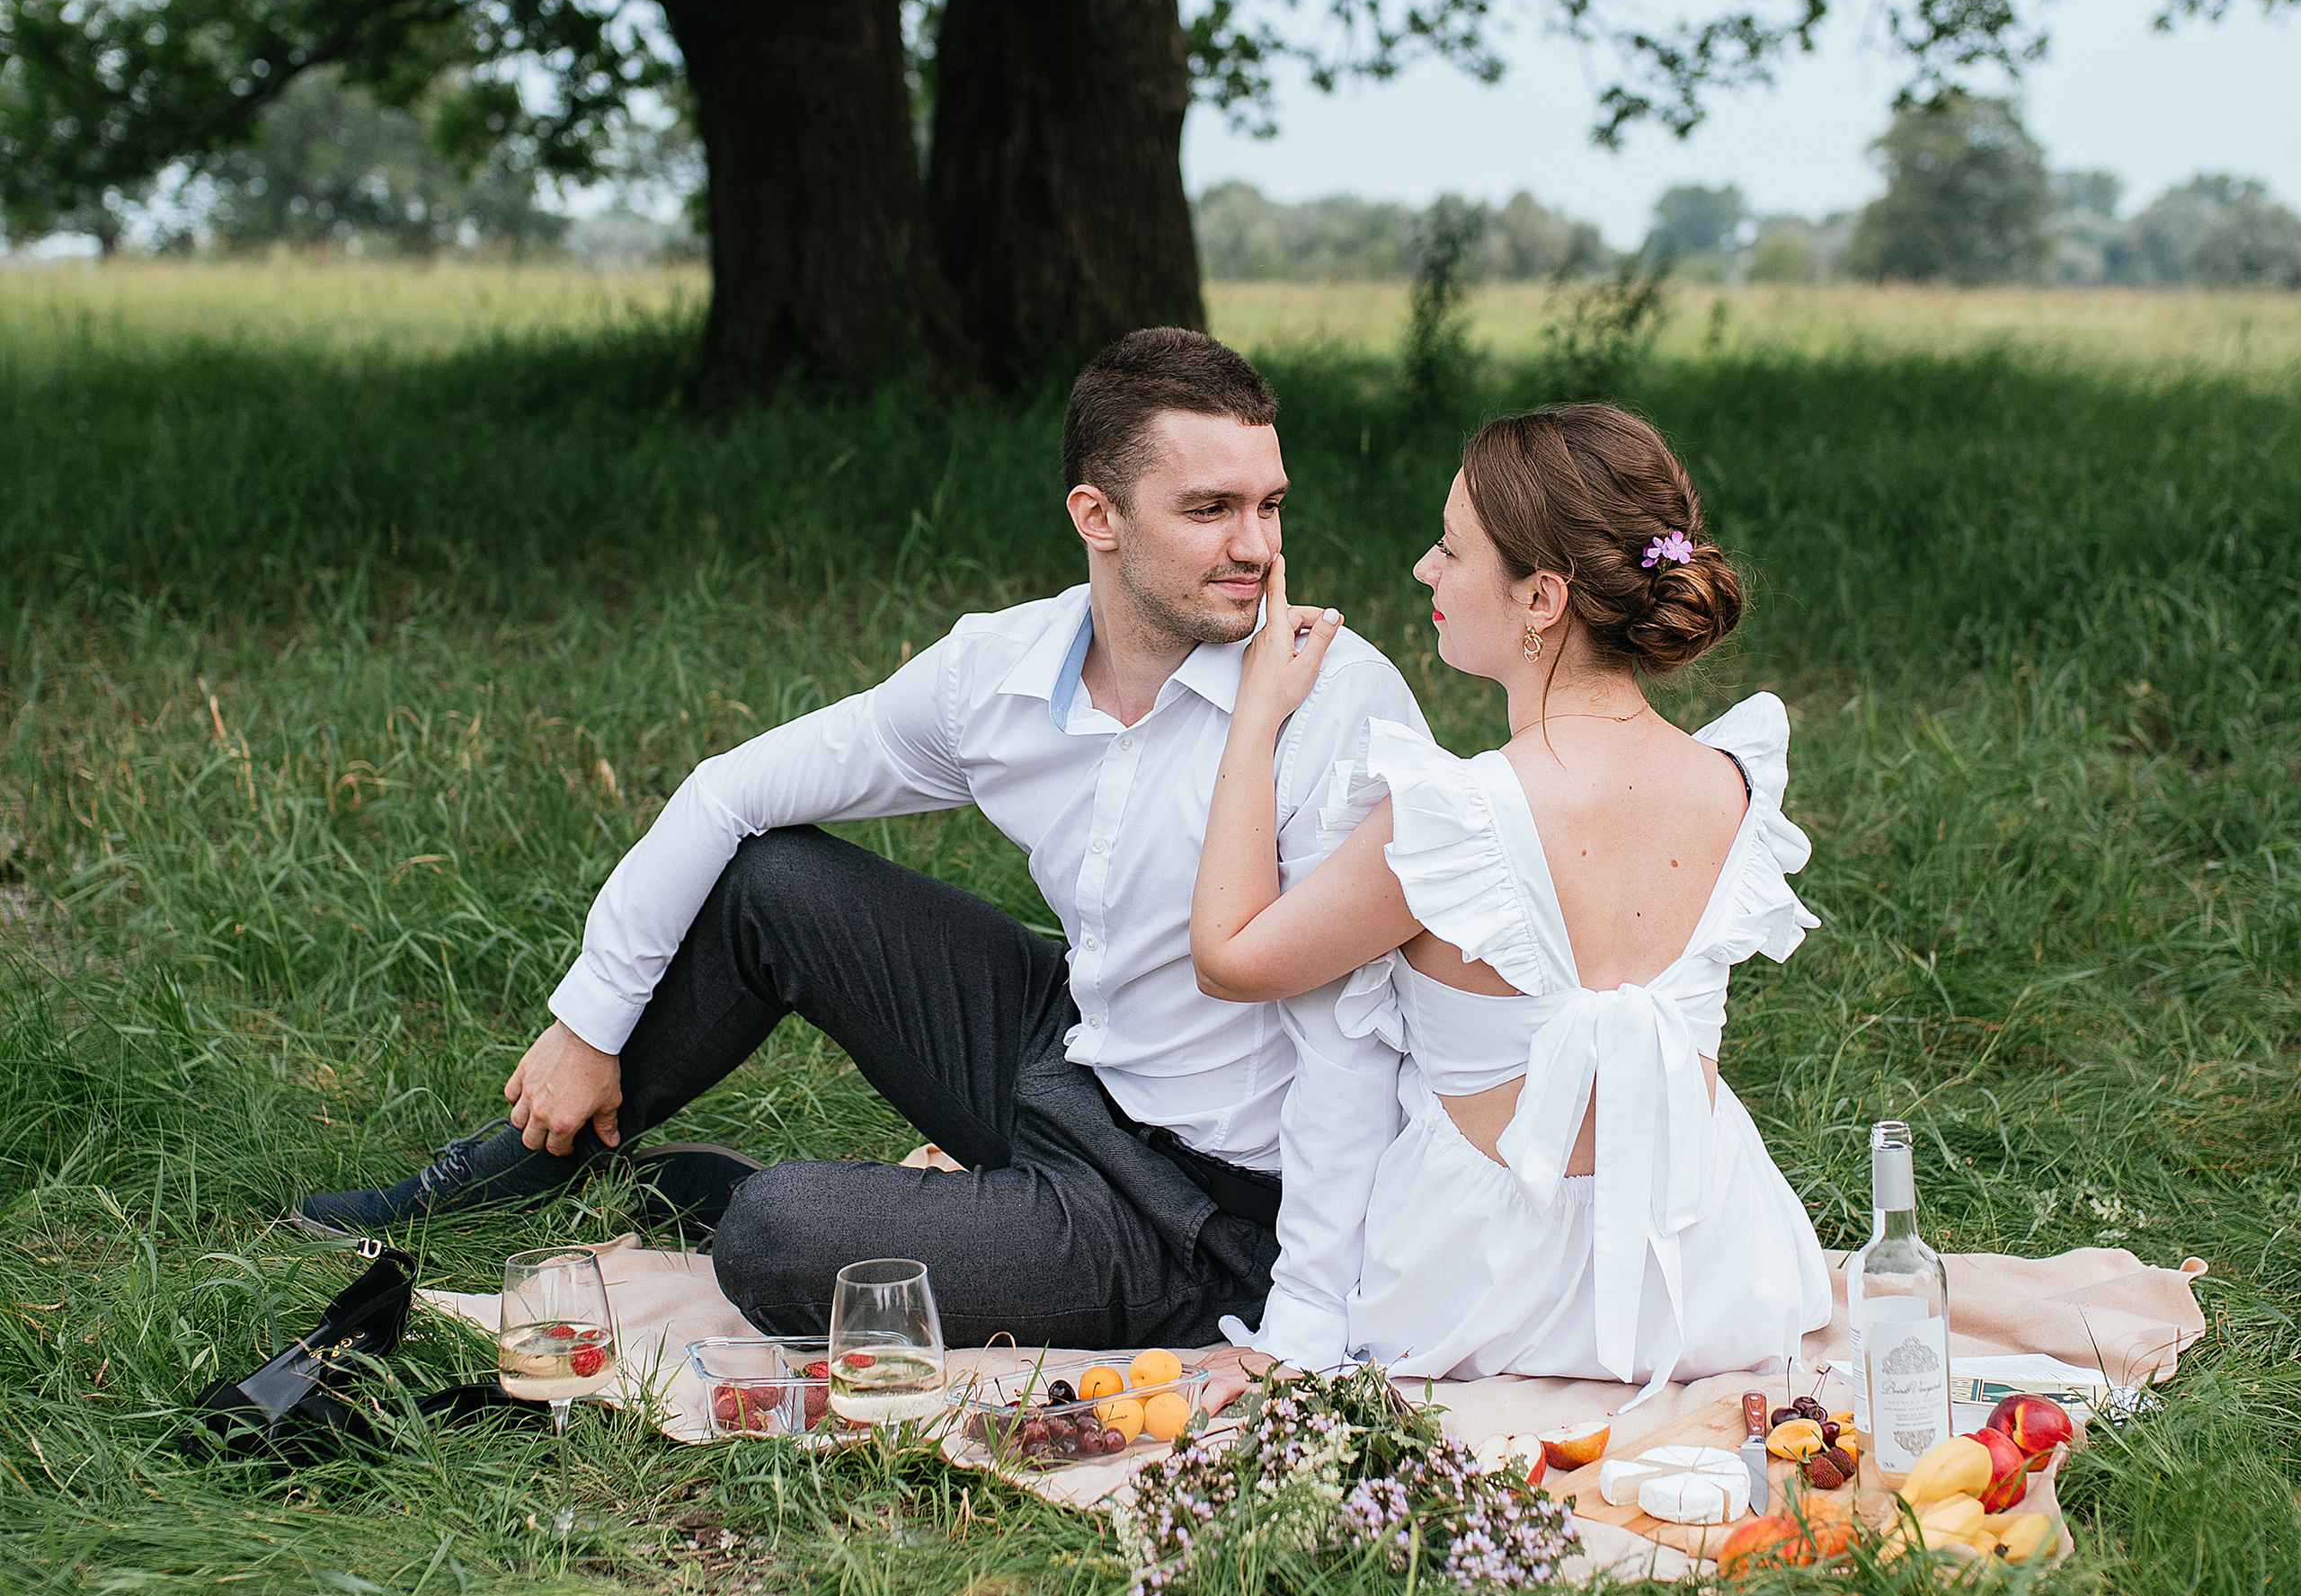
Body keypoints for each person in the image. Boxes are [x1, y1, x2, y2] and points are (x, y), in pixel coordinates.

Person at [294, 328, 1429, 1352]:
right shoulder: (1000, 672)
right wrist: (586, 1024)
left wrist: (1305, 1322)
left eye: (1269, 505)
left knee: (775, 1235)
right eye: (1208, 510)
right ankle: (513, 1166)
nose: (1254, 548)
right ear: (1097, 517)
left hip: (1203, 1207)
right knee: (774, 879)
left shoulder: (1331, 698)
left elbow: (1358, 1041)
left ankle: (851, 1208)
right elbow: (729, 789)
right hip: (1077, 1053)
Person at [1190, 401, 1828, 1388]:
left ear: (1541, 598)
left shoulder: (1453, 820)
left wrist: (1254, 719)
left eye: (1451, 549)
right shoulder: (1732, 784)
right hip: (1710, 1272)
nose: (1425, 570)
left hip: (1480, 1294)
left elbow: (1230, 959)